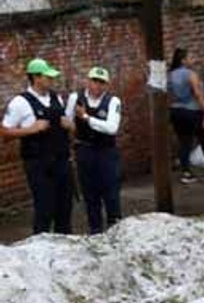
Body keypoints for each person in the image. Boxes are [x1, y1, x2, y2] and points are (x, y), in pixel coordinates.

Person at [0, 59, 75, 235]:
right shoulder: (20, 102)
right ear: (35, 77)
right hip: (39, 164)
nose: (51, 80)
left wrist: (69, 125)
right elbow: (4, 133)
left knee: (64, 209)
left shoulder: (56, 98)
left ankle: (65, 251)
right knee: (44, 209)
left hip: (62, 162)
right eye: (48, 76)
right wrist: (30, 129)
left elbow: (69, 129)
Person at [65, 67, 123, 234]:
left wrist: (86, 117)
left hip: (106, 152)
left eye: (101, 83)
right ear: (87, 81)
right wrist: (71, 138)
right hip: (85, 151)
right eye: (94, 81)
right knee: (90, 195)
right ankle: (95, 231)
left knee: (111, 193)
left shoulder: (113, 101)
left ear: (106, 85)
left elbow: (111, 128)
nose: (97, 86)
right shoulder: (76, 98)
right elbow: (68, 121)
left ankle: (116, 231)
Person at [168, 48, 204, 183]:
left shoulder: (169, 75)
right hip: (193, 111)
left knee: (184, 142)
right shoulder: (190, 74)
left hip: (176, 111)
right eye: (191, 57)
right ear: (183, 60)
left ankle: (186, 172)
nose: (194, 59)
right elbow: (198, 94)